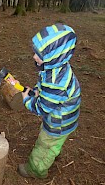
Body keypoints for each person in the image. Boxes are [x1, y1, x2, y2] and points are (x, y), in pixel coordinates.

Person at [18, 23, 81, 179]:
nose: (34, 57)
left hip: (59, 121)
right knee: (53, 141)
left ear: (54, 56)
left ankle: (36, 169)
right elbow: (44, 84)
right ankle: (53, 151)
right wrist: (38, 90)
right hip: (63, 114)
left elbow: (43, 108)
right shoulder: (54, 67)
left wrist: (27, 100)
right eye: (35, 52)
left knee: (46, 143)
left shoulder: (55, 81)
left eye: (39, 54)